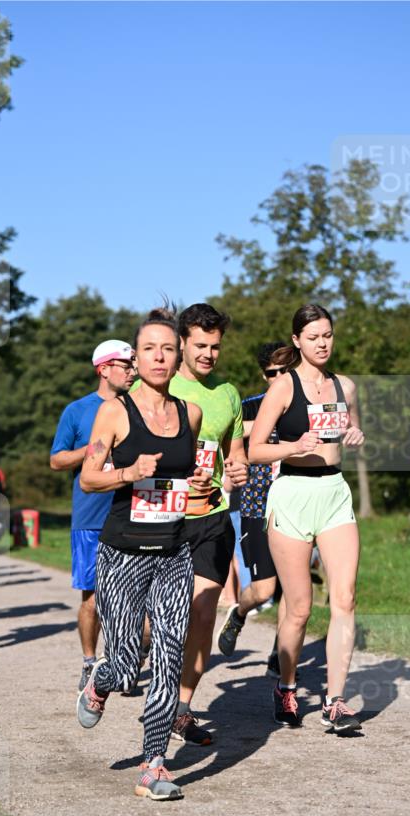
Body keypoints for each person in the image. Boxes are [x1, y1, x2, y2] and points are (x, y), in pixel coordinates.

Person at [77, 307, 208, 800]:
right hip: (123, 554)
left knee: (170, 656)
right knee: (128, 664)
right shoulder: (116, 412)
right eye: (149, 348)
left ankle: (154, 765)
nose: (159, 356)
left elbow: (186, 478)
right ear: (136, 357)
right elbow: (89, 478)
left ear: (179, 357)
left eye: (168, 348)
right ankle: (101, 681)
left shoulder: (190, 414)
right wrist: (128, 473)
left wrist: (201, 482)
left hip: (174, 552)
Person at [249, 304, 365, 733]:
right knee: (298, 608)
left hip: (333, 493)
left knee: (345, 598)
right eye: (314, 337)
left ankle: (335, 702)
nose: (323, 343)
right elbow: (255, 449)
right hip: (293, 494)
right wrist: (293, 447)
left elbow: (350, 431)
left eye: (328, 335)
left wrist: (355, 434)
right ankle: (286, 687)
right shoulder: (284, 387)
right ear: (297, 341)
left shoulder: (345, 386)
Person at [165, 303, 249, 746]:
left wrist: (238, 468)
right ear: (182, 342)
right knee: (162, 620)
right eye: (200, 345)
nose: (208, 354)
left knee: (202, 614)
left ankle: (181, 709)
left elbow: (235, 453)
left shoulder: (228, 393)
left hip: (212, 516)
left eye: (215, 347)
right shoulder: (157, 384)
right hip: (165, 517)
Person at [50, 340, 136, 689]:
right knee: (93, 597)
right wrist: (94, 449)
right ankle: (90, 662)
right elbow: (56, 460)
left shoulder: (140, 407)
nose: (132, 371)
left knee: (135, 597)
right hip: (90, 517)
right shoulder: (78, 410)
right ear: (103, 369)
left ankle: (127, 656)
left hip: (134, 512)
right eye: (125, 365)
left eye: (133, 365)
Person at [217, 342, 288, 675]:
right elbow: (223, 441)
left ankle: (281, 654)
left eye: (286, 371)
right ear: (264, 375)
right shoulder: (247, 407)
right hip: (256, 507)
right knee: (264, 590)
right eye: (273, 373)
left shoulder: (306, 405)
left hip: (296, 508)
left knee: (294, 592)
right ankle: (239, 613)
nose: (280, 377)